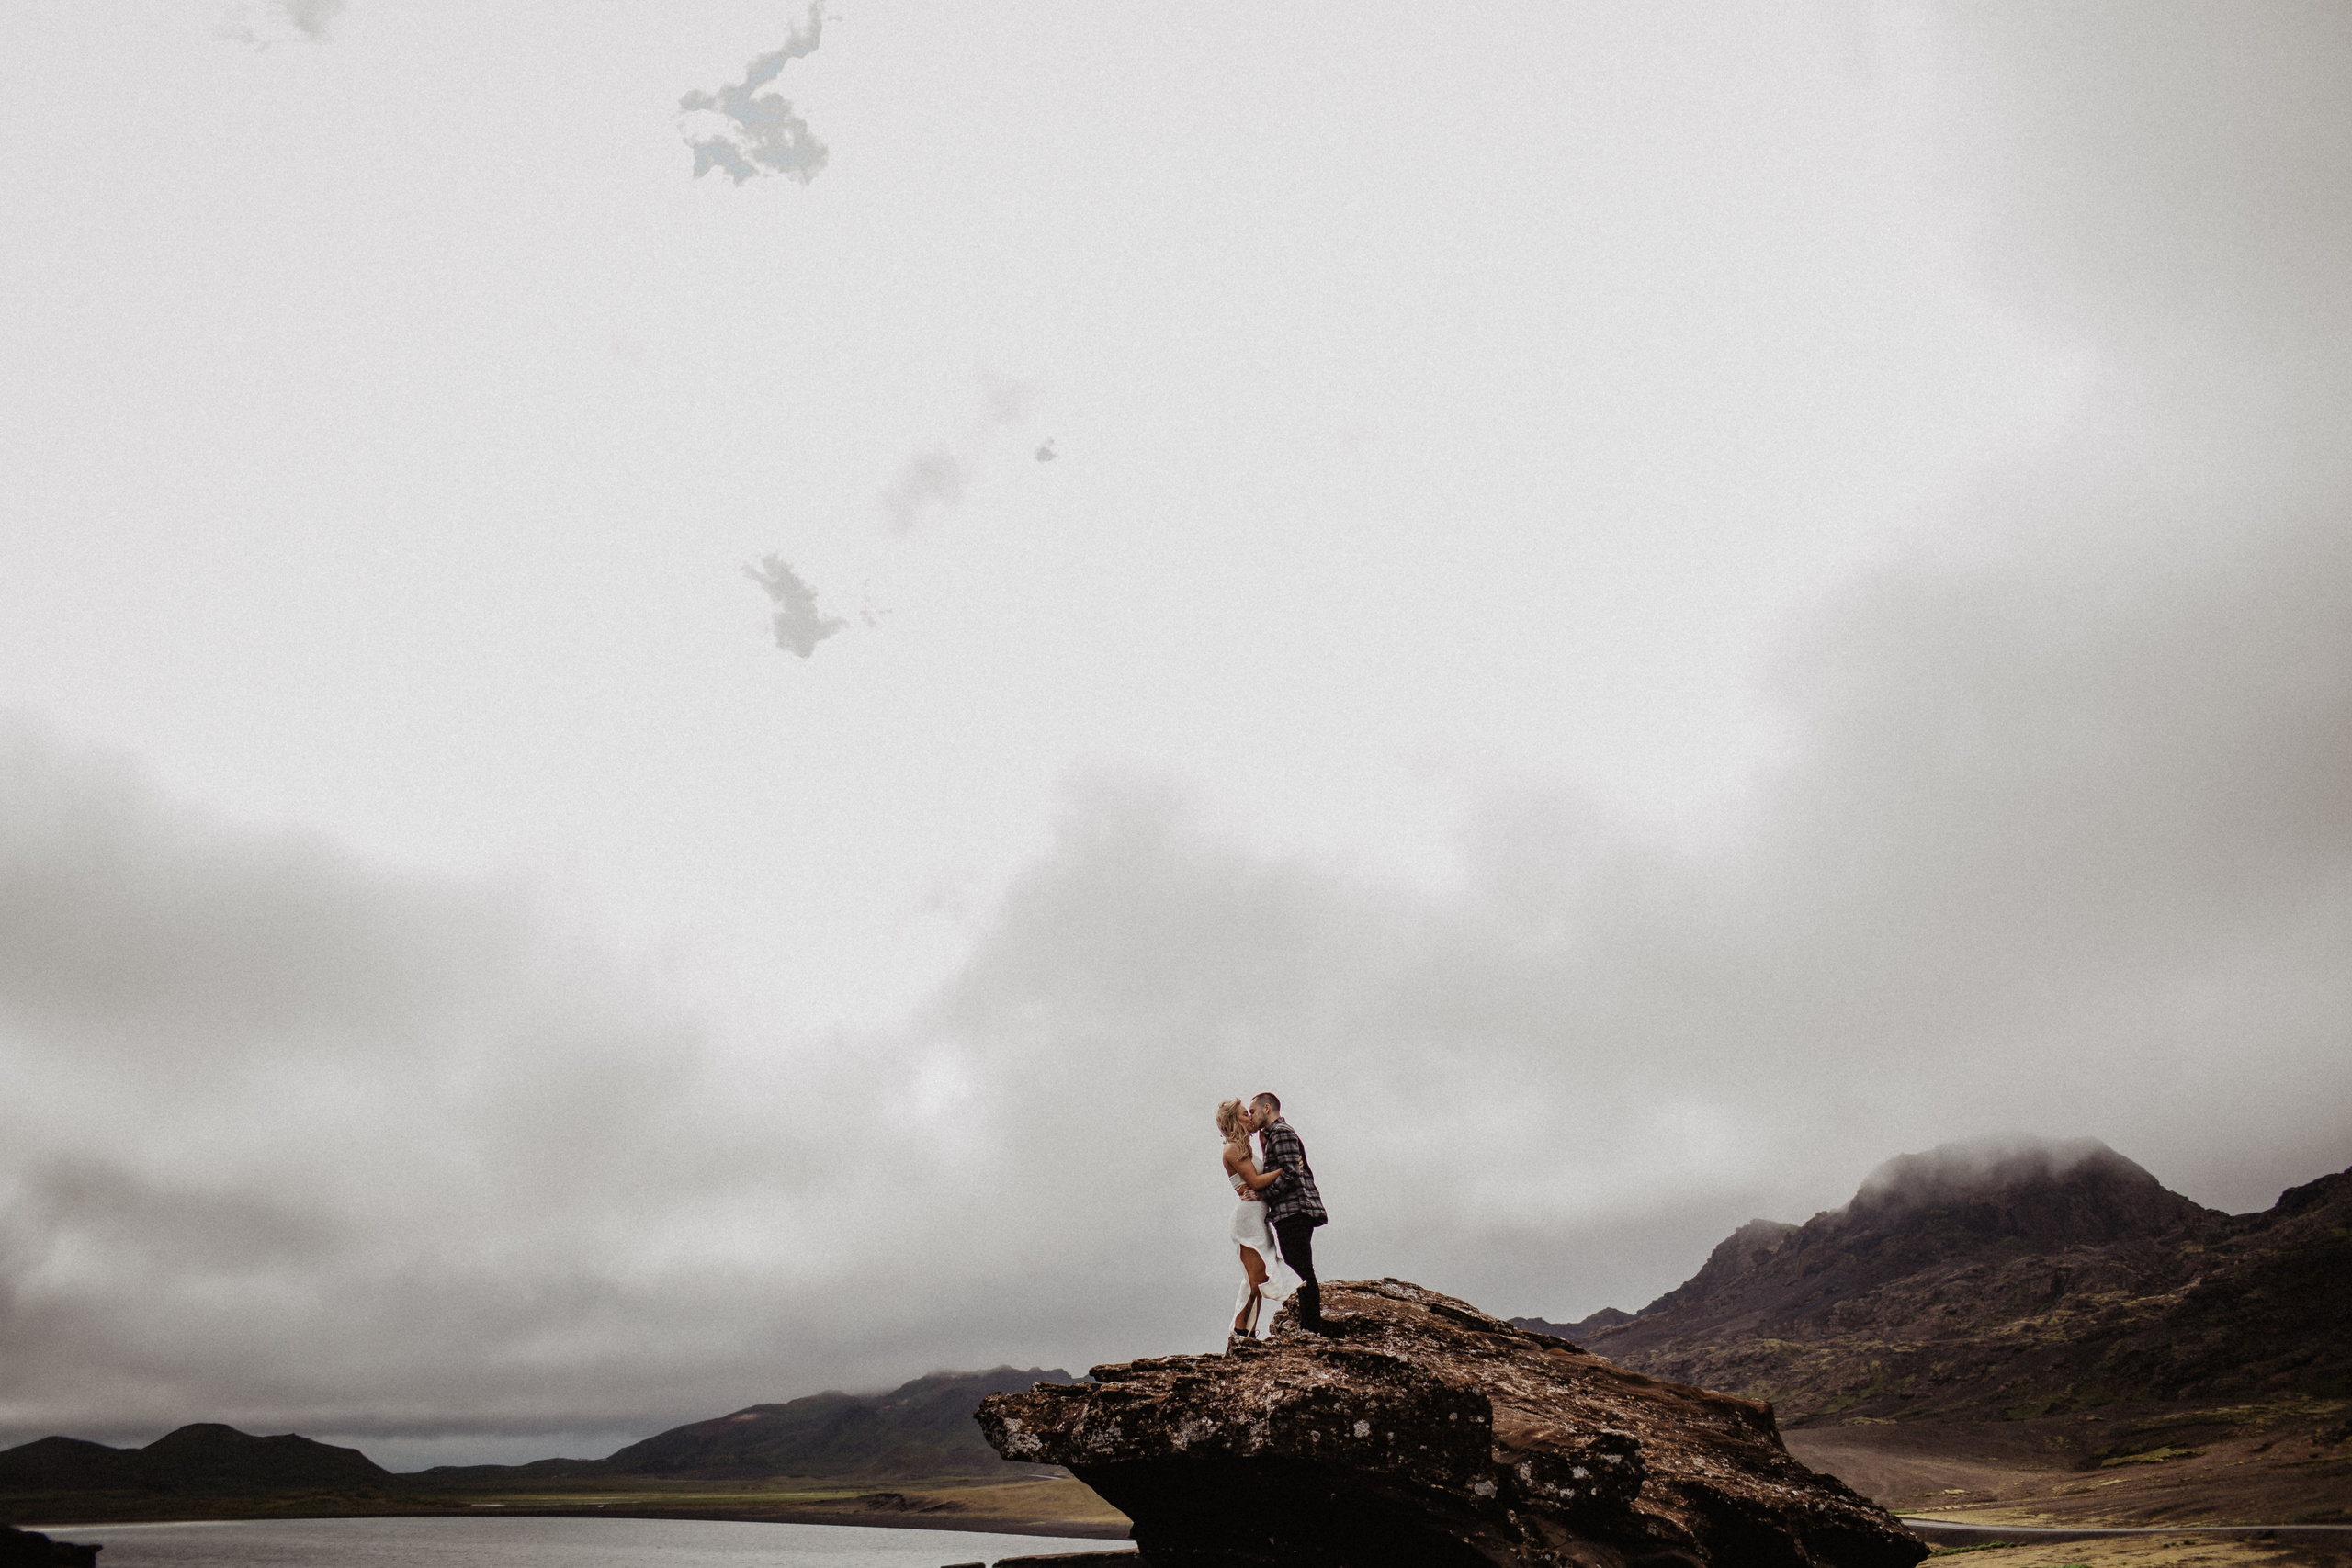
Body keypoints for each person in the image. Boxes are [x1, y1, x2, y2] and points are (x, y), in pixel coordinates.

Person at [1251, 1092, 1330, 1335]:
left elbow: (1290, 1173)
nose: (1251, 1116)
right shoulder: (1272, 1135)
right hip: (1290, 1211)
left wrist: (1263, 1195)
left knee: (1302, 1268)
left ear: (1267, 1108)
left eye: (1253, 1111)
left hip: (1294, 1210)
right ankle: (1311, 1325)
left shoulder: (1282, 1132)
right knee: (1300, 1266)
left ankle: (1311, 1328)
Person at [1216, 1098, 1288, 1342]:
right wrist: (1286, 1169)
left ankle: (1246, 1333)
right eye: (1244, 1113)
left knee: (1256, 1279)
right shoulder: (1233, 1149)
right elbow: (1256, 1182)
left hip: (1258, 1216)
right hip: (1248, 1219)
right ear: (1235, 1120)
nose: (1250, 1116)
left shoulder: (1245, 1147)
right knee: (1255, 1279)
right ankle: (1240, 1333)